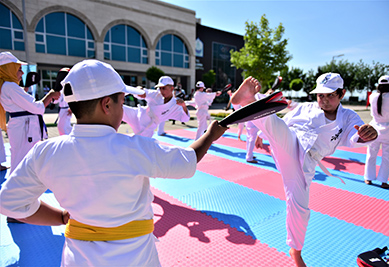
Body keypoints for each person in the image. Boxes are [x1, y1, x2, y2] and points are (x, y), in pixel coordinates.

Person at [0, 59, 228, 267]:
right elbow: (187, 161)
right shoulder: (135, 148)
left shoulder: (46, 152)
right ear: (107, 104)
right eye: (122, 102)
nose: (124, 109)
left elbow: (9, 203)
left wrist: (60, 217)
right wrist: (209, 135)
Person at [231, 73, 378, 267]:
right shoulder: (305, 108)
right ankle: (249, 99)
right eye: (320, 96)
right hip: (290, 142)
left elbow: (355, 134)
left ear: (342, 94)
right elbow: (282, 120)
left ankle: (295, 249)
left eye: (330, 95)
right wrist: (260, 132)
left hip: (306, 161)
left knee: (299, 205)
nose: (324, 100)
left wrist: (366, 135)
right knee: (276, 126)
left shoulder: (348, 116)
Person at [0, 51, 60, 173]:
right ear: (9, 69)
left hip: (21, 126)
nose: (22, 73)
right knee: (21, 162)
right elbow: (36, 108)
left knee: (20, 159)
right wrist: (49, 96)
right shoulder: (10, 86)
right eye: (19, 69)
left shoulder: (6, 86)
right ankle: (17, 188)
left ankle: (18, 187)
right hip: (24, 129)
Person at [364, 75, 389, 189]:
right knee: (387, 157)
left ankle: (368, 178)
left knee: (371, 154)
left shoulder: (373, 97)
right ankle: (383, 181)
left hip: (374, 128)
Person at [124, 76, 189, 137]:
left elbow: (185, 119)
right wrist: (139, 89)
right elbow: (142, 93)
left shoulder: (175, 105)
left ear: (171, 88)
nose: (162, 91)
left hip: (147, 127)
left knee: (139, 146)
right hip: (136, 114)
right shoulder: (156, 94)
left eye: (164, 88)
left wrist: (183, 106)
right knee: (117, 108)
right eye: (160, 88)